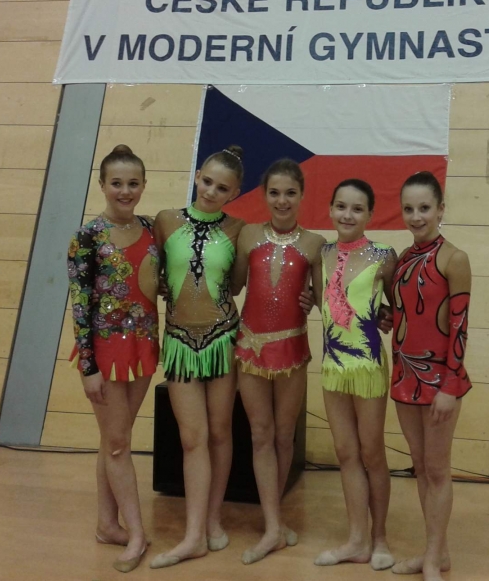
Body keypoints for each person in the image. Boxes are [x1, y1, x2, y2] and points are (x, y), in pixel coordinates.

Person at [149, 146, 246, 570]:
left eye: (221, 188)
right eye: (206, 181)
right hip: (179, 342)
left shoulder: (239, 229)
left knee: (220, 433)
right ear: (196, 176)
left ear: (234, 193)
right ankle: (192, 536)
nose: (210, 191)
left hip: (223, 340)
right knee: (192, 438)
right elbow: (150, 272)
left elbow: (239, 285)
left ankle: (211, 519)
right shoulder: (165, 220)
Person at [66, 144, 158, 573]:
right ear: (102, 185)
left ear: (143, 185)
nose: (125, 191)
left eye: (133, 183)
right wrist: (88, 368)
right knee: (119, 443)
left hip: (142, 347)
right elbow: (80, 305)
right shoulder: (86, 238)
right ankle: (135, 532)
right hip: (104, 353)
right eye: (117, 183)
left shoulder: (152, 229)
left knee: (114, 439)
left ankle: (107, 524)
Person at [231, 158, 325, 565]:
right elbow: (233, 284)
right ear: (264, 195)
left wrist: (313, 297)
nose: (282, 200)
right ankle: (272, 526)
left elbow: (324, 298)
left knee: (285, 436)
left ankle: (276, 520)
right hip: (250, 347)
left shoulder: (315, 244)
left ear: (302, 195)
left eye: (290, 193)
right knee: (260, 434)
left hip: (291, 349)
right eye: (274, 193)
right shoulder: (248, 235)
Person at [390, 172, 472, 581]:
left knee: (437, 470)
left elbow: (459, 327)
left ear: (441, 209)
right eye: (409, 209)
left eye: (424, 208)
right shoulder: (403, 258)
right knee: (421, 468)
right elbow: (404, 316)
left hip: (440, 381)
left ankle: (433, 560)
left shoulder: (454, 259)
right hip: (405, 376)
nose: (416, 216)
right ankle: (435, 553)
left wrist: (449, 387)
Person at [312, 178, 396, 571]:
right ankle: (356, 540)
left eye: (357, 209)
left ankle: (380, 538)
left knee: (371, 452)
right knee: (346, 453)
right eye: (341, 206)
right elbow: (321, 303)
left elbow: (396, 308)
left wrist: (385, 315)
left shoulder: (384, 255)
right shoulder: (322, 254)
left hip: (368, 366)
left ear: (370, 214)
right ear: (331, 209)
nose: (348, 215)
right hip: (334, 365)